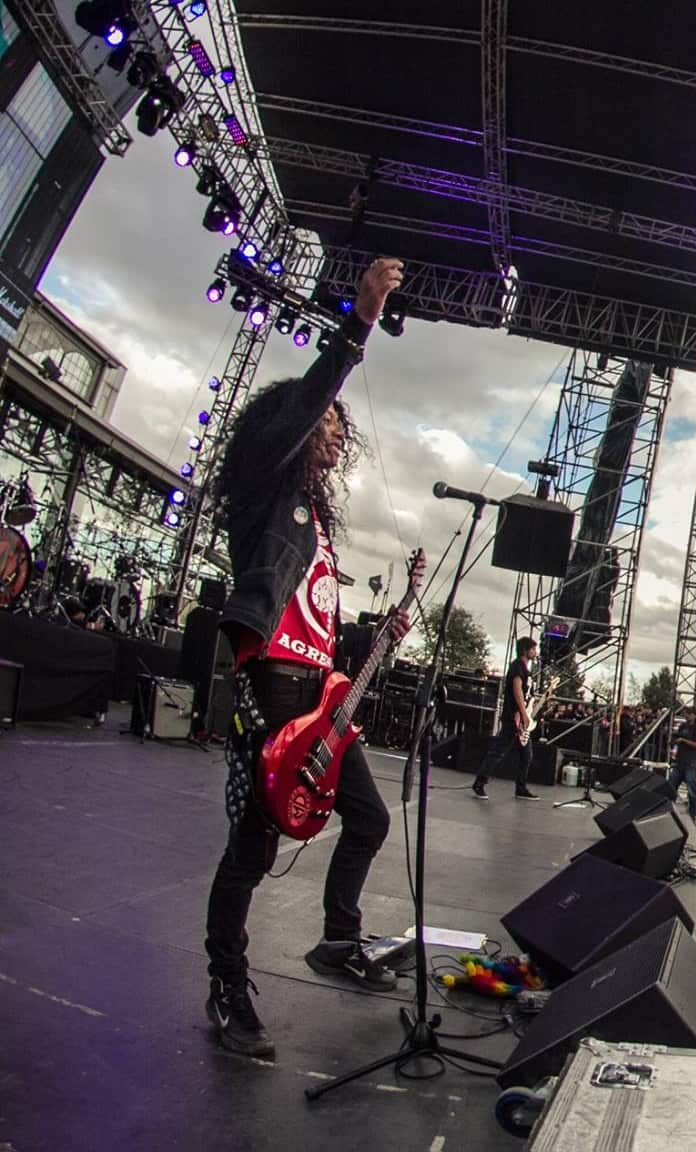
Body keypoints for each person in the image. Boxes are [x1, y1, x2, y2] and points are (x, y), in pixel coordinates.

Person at [201, 258, 409, 1060]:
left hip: (316, 694)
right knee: (251, 850)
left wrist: (371, 640)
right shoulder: (264, 486)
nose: (332, 428)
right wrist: (357, 324)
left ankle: (337, 938)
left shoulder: (316, 527)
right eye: (320, 419)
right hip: (269, 692)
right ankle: (227, 985)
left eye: (332, 423)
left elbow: (319, 629)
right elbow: (309, 399)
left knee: (370, 817)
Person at [473, 636, 537, 799]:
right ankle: (479, 782)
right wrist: (523, 713)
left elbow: (527, 694)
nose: (535, 652)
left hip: (521, 719)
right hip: (512, 717)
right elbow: (517, 691)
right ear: (525, 650)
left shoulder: (527, 671)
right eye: (533, 649)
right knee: (498, 751)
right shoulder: (517, 667)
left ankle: (520, 788)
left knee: (526, 755)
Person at [669, 705, 696, 819]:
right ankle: (669, 809)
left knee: (691, 790)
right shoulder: (683, 726)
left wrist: (684, 740)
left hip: (690, 763)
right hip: (680, 761)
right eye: (685, 714)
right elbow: (677, 737)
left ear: (694, 715)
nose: (686, 716)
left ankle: (693, 813)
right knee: (671, 786)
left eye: (688, 714)